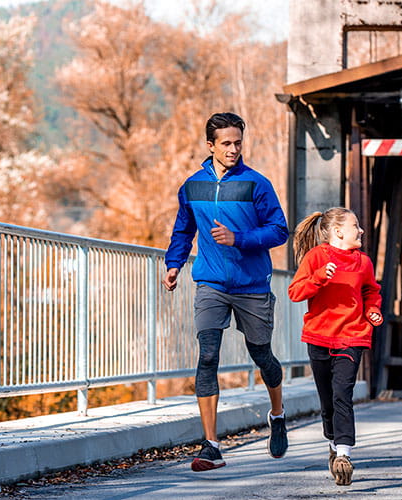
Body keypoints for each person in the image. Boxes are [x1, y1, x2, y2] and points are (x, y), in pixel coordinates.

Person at [162, 112, 289, 472]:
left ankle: (277, 414)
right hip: (211, 283)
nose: (234, 149)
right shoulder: (192, 186)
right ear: (211, 146)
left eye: (238, 143)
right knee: (207, 357)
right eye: (227, 143)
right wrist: (174, 264)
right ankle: (211, 445)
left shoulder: (256, 184)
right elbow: (183, 230)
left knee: (262, 355)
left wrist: (240, 239)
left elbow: (279, 230)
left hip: (251, 285)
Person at [288, 207, 383, 486]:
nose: (361, 230)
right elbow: (295, 292)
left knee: (343, 393)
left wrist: (373, 310)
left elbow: (370, 291)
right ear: (339, 231)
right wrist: (319, 277)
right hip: (319, 337)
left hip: (352, 336)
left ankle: (344, 453)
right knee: (327, 401)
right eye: (356, 225)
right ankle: (333, 441)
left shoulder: (363, 262)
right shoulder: (317, 256)